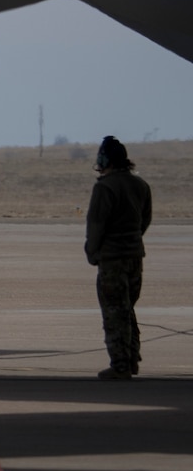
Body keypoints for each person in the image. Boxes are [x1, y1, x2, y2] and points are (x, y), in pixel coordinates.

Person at [86, 135, 152, 380]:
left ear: (105, 159)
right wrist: (132, 240)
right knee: (127, 309)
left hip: (112, 259)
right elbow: (145, 220)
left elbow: (96, 224)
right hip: (135, 256)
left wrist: (93, 252)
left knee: (114, 311)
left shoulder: (104, 187)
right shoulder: (141, 185)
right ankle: (132, 358)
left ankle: (120, 364)